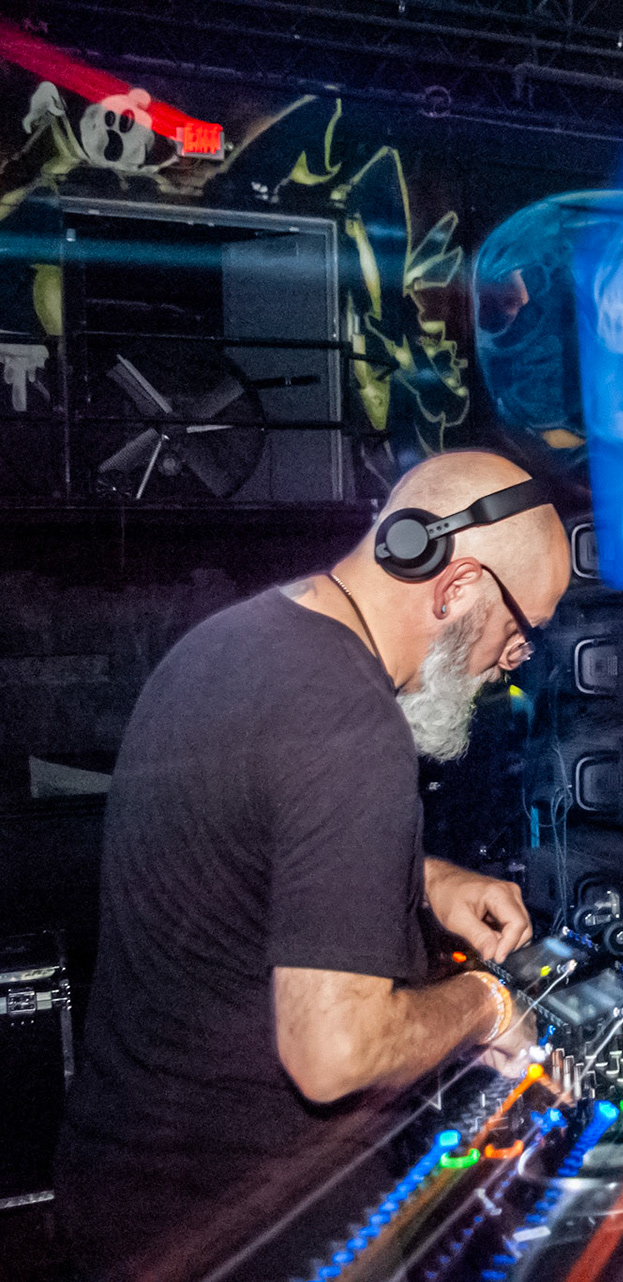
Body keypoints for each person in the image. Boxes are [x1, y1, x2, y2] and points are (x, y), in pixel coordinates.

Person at [55, 451, 571, 1281]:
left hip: (126, 1197)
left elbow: (245, 836)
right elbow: (335, 1053)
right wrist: (487, 1003)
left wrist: (427, 879)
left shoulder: (234, 642)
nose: (513, 661)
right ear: (457, 587)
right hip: (258, 1235)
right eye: (521, 631)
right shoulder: (352, 724)